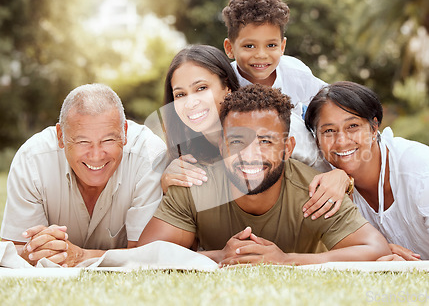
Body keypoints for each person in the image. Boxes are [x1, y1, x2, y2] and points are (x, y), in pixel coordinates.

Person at [138, 84, 391, 265]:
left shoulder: (315, 192)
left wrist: (286, 260)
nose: (250, 155)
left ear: (287, 148)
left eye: (265, 141)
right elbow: (145, 255)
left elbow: (375, 248)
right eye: (237, 141)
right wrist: (219, 256)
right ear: (221, 145)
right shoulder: (195, 185)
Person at [304, 81, 429, 260]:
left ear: (374, 128)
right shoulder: (324, 180)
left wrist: (412, 270)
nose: (341, 141)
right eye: (328, 131)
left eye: (353, 126)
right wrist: (378, 249)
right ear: (316, 138)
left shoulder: (417, 167)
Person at [155, 45, 349, 221]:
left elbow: (333, 168)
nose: (190, 102)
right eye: (180, 94)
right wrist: (166, 187)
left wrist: (342, 176)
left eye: (202, 88)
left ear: (227, 88)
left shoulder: (273, 124)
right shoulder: (189, 155)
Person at [0, 84, 167, 266]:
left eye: (108, 140)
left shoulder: (149, 156)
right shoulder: (32, 160)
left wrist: (81, 256)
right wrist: (34, 252)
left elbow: (148, 253)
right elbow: (16, 246)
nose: (96, 155)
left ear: (125, 132)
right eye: (82, 141)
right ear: (60, 136)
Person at [222, 0, 327, 117]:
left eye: (271, 45)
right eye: (249, 46)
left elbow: (330, 99)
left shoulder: (296, 73)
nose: (261, 55)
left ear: (282, 47)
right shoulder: (225, 83)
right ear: (229, 48)